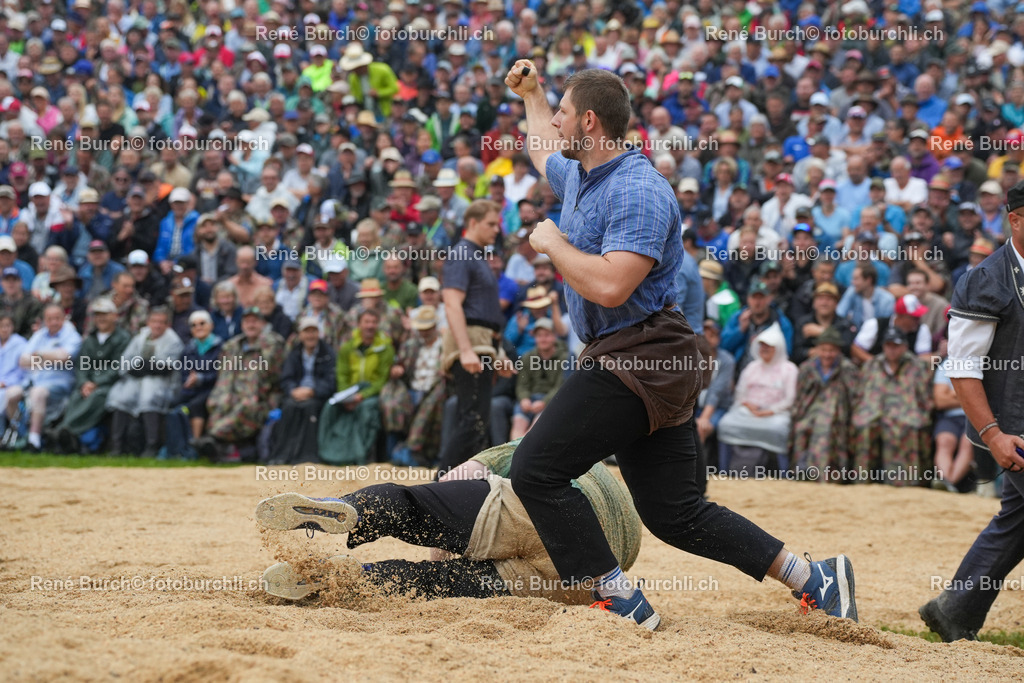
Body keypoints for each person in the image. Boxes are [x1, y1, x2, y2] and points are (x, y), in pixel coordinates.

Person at [502, 62, 856, 630]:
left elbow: (614, 286)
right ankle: (814, 577)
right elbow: (544, 147)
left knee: (537, 469)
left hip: (640, 356)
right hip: (637, 357)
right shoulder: (581, 172)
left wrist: (553, 246)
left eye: (565, 111)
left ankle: (614, 595)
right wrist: (535, 95)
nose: (557, 122)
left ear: (589, 122)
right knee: (676, 512)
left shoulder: (639, 190)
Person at [255, 439, 640, 605]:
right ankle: (350, 578)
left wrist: (443, 542)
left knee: (413, 507)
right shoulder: (611, 483)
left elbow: (456, 478)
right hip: (581, 578)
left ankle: (347, 507)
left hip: (537, 511)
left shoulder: (537, 443)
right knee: (429, 585)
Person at [920, 179, 1024, 642]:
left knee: (1018, 519)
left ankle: (955, 609)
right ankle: (955, 609)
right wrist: (995, 435)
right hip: (1011, 426)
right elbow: (962, 371)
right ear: (1015, 219)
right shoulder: (985, 281)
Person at [437, 199, 506, 474]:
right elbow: (452, 303)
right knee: (473, 419)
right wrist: (466, 350)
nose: (496, 230)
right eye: (490, 224)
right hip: (471, 342)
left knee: (478, 418)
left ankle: (456, 483)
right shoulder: (462, 254)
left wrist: (497, 353)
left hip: (482, 341)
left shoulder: (475, 255)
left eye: (498, 224)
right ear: (473, 223)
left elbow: (485, 312)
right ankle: (439, 482)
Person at [196, 307, 284, 463]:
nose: (251, 325)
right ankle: (218, 445)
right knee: (217, 402)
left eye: (255, 321)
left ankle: (213, 437)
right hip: (235, 394)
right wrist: (222, 397)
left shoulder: (271, 343)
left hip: (262, 397)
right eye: (247, 321)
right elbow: (225, 377)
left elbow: (266, 376)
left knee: (247, 405)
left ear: (262, 324)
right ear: (241, 324)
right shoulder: (233, 345)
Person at [851, 327, 933, 486]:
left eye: (896, 345)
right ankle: (863, 482)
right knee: (865, 427)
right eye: (888, 345)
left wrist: (921, 414)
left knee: (908, 427)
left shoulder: (917, 366)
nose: (892, 350)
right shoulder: (872, 365)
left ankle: (904, 483)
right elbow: (860, 394)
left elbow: (925, 398)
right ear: (883, 346)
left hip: (906, 413)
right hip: (873, 411)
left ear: (904, 346)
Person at [52, 298, 131, 454]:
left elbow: (118, 367)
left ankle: (64, 431)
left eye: (105, 314)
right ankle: (66, 433)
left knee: (97, 397)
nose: (101, 319)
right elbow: (81, 366)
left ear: (115, 316)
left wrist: (96, 382)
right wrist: (84, 383)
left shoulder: (123, 338)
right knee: (76, 396)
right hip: (89, 384)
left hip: (111, 384)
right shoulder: (90, 339)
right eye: (97, 315)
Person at [717, 324, 798, 472]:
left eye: (769, 347)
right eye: (762, 346)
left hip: (776, 415)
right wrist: (748, 405)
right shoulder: (751, 367)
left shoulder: (789, 369)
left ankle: (784, 474)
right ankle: (724, 471)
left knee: (779, 429)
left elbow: (790, 399)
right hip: (748, 412)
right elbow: (740, 393)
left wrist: (769, 411)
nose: (764, 350)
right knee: (726, 424)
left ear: (778, 348)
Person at [105, 307, 185, 458]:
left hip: (163, 383)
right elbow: (126, 362)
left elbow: (163, 367)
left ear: (168, 324)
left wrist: (142, 365)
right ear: (148, 322)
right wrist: (144, 366)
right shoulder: (141, 337)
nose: (157, 325)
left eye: (161, 322)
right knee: (121, 398)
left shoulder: (173, 341)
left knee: (149, 397)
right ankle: (116, 446)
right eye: (154, 321)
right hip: (137, 379)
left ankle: (151, 446)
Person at [318, 308, 394, 465]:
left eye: (373, 322)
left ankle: (361, 454)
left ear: (378, 324)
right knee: (329, 408)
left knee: (366, 409)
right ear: (359, 324)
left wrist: (362, 396)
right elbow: (342, 375)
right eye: (366, 322)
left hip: (372, 393)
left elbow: (382, 380)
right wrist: (347, 396)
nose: (370, 326)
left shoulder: (386, 348)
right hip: (349, 393)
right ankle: (328, 453)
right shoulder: (347, 347)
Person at [6, 304, 82, 451]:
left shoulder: (71, 335)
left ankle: (34, 441)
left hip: (60, 384)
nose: (53, 322)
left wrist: (39, 355)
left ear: (64, 318)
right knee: (11, 394)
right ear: (44, 321)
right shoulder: (40, 335)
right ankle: (21, 436)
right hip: (33, 382)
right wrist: (52, 356)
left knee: (38, 393)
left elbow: (65, 357)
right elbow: (23, 360)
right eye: (49, 319)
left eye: (57, 318)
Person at [789, 327, 861, 477]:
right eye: (823, 350)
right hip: (810, 410)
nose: (827, 354)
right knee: (801, 428)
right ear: (817, 349)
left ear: (838, 351)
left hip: (837, 412)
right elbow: (800, 395)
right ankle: (800, 471)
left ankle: (823, 476)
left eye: (832, 350)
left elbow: (855, 398)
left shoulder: (848, 370)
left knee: (825, 429)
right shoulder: (807, 368)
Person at [269, 317, 336, 465]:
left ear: (319, 333)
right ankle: (282, 455)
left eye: (313, 331)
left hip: (317, 396)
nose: (310, 336)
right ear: (300, 335)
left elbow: (331, 382)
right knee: (288, 407)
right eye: (307, 332)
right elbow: (286, 378)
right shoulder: (295, 353)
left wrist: (312, 391)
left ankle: (308, 456)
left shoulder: (328, 353)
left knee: (309, 407)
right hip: (297, 394)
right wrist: (293, 391)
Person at [162, 310, 223, 460]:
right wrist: (189, 381)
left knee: (196, 405)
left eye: (202, 323)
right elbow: (184, 374)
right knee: (170, 404)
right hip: (192, 389)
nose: (198, 327)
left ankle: (195, 447)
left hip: (214, 389)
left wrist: (201, 378)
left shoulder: (220, 347)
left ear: (211, 325)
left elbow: (221, 374)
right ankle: (174, 447)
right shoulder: (188, 349)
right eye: (193, 325)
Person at [510, 318, 568, 440]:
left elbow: (560, 386)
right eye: (539, 336)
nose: (543, 339)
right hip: (530, 398)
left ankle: (521, 454)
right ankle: (512, 455)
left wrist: (544, 402)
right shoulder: (527, 357)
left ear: (554, 336)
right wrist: (524, 398)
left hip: (551, 401)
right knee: (518, 424)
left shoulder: (565, 358)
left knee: (535, 427)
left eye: (547, 335)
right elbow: (522, 384)